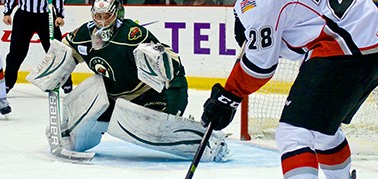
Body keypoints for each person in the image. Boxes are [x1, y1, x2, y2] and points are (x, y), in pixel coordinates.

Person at [201, 0, 378, 179]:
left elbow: (260, 66)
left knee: (293, 133)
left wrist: (229, 96)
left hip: (342, 49)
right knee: (321, 132)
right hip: (374, 49)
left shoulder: (258, 4)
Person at [29, 0, 231, 162]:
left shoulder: (132, 35)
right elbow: (67, 49)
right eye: (97, 16)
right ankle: (65, 131)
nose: (101, 21)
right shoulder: (84, 34)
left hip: (159, 92)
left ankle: (209, 142)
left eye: (106, 16)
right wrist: (55, 68)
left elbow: (169, 64)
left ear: (117, 14)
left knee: (149, 130)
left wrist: (159, 62)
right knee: (78, 127)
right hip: (118, 97)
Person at [2, 0, 73, 94]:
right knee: (16, 52)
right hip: (23, 16)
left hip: (46, 16)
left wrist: (59, 15)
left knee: (57, 51)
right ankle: (7, 83)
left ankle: (66, 82)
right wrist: (7, 12)